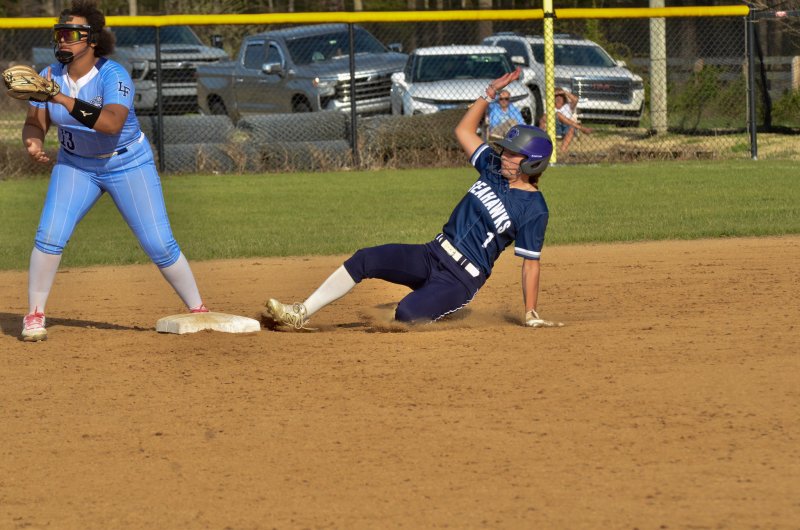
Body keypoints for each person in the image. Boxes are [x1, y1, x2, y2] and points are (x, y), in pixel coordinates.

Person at [263, 68, 562, 330]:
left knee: (406, 314)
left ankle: (429, 304)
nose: (504, 155)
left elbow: (530, 264)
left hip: (460, 280)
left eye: (513, 153)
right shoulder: (493, 169)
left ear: (532, 163)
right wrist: (490, 92)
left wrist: (530, 312)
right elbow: (463, 130)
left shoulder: (534, 209)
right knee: (365, 258)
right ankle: (301, 313)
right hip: (432, 254)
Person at [19, 0, 208, 342]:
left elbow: (109, 123)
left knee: (158, 243)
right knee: (49, 234)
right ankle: (34, 314)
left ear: (92, 40)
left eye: (72, 33)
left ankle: (198, 309)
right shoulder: (48, 77)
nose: (63, 39)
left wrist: (60, 99)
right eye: (59, 32)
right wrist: (32, 142)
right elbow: (35, 123)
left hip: (126, 162)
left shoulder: (112, 74)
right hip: (75, 165)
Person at [539, 88, 592, 154]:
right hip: (554, 127)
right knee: (555, 115)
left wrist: (564, 92)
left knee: (571, 127)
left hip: (568, 127)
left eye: (560, 96)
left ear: (564, 97)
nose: (558, 98)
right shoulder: (550, 107)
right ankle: (581, 128)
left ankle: (562, 151)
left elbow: (575, 99)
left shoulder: (568, 106)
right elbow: (543, 119)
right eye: (556, 96)